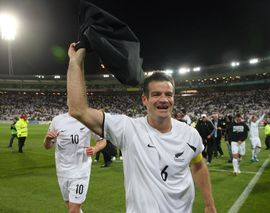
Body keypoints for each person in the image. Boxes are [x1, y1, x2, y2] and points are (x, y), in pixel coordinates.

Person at [67, 43, 217, 213]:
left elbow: (198, 166)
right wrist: (75, 62)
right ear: (144, 100)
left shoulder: (190, 134)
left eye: (168, 94)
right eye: (156, 94)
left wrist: (209, 204)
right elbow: (78, 110)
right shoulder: (128, 129)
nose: (163, 99)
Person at [43, 113, 107, 213]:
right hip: (62, 172)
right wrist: (47, 139)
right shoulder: (57, 120)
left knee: (73, 209)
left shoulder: (88, 120)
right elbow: (47, 146)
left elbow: (102, 141)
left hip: (80, 171)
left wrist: (95, 149)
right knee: (72, 207)